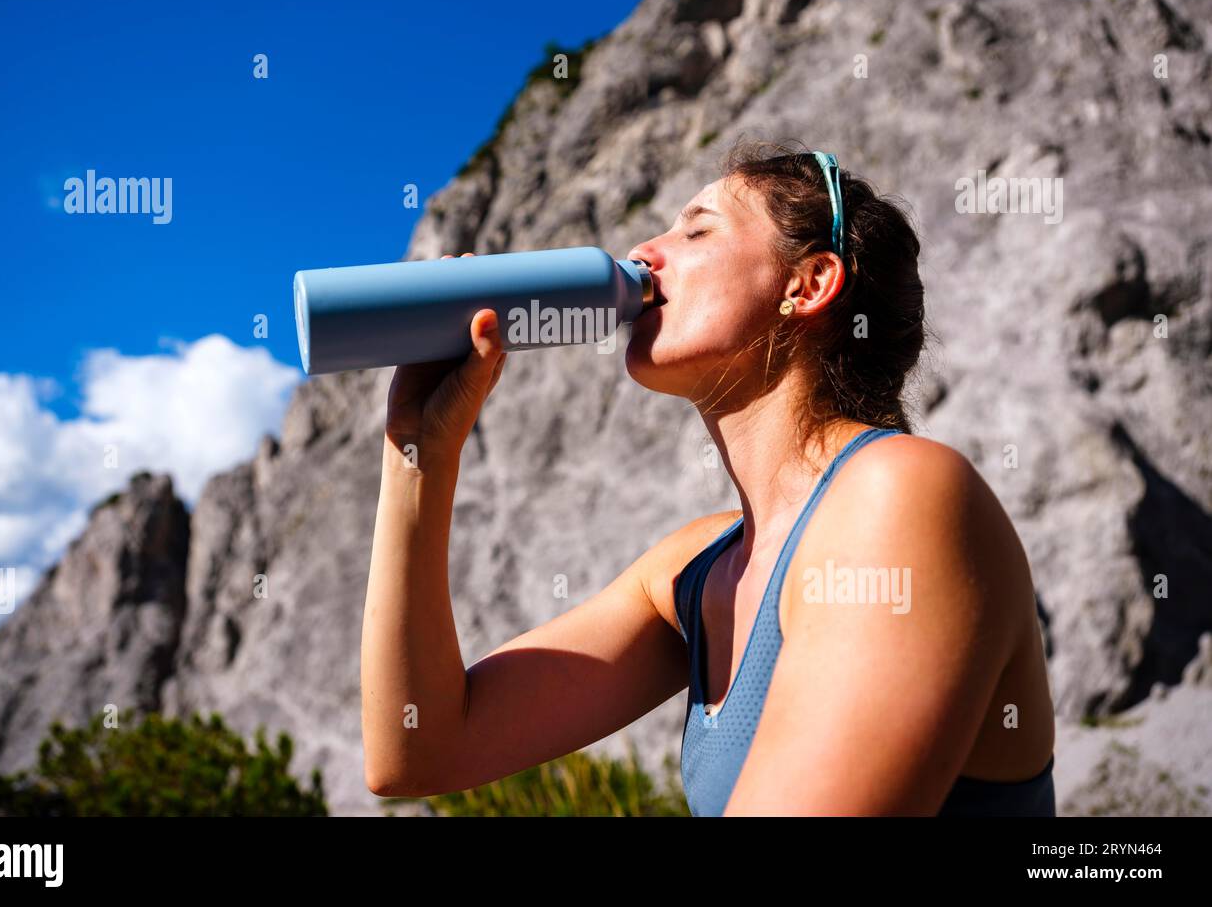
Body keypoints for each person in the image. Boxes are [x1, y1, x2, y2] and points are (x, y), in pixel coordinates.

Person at [361, 138, 1056, 816]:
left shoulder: (901, 492)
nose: (642, 253)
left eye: (696, 231)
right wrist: (420, 449)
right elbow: (417, 749)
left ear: (808, 284)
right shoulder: (691, 571)